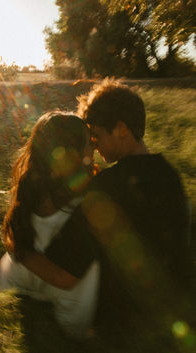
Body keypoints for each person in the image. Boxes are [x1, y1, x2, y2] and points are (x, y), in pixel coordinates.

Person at [44, 79, 192, 344]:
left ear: (122, 129)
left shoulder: (106, 187)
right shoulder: (170, 174)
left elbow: (65, 271)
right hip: (176, 315)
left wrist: (22, 253)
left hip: (120, 327)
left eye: (96, 136)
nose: (94, 145)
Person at [0, 111, 101, 340]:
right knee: (91, 265)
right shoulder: (87, 196)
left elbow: (15, 235)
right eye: (88, 143)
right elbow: (68, 278)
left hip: (20, 277)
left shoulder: (29, 185)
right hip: (62, 283)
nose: (93, 148)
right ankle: (73, 331)